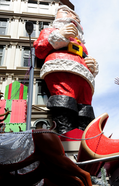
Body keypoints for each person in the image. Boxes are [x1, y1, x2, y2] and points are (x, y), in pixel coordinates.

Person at [33, 5, 99, 134]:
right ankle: (67, 136)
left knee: (85, 109)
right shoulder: (49, 31)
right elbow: (40, 49)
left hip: (83, 76)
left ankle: (83, 137)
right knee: (65, 103)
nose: (73, 17)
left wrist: (92, 66)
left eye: (76, 16)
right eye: (65, 12)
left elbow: (84, 56)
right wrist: (59, 35)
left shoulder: (80, 43)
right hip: (61, 69)